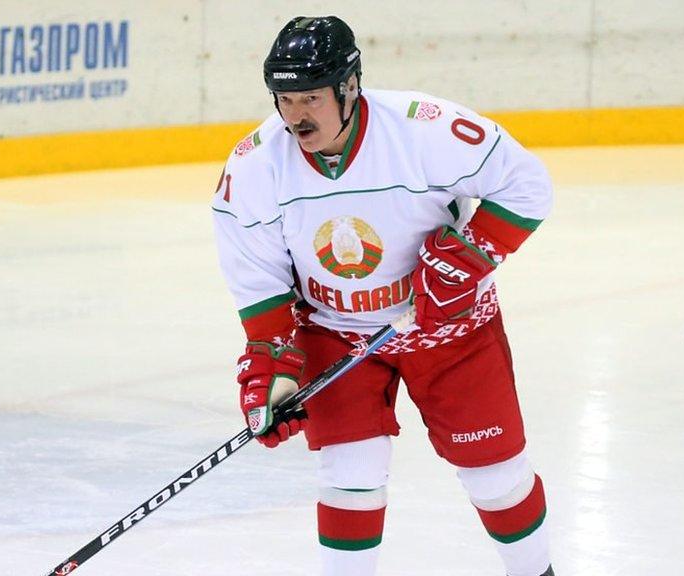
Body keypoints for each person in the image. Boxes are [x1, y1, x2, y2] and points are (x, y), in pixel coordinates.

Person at [212, 16, 555, 576]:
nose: (296, 116)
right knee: (350, 475)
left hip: (452, 330)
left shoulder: (424, 129)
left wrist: (467, 259)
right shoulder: (253, 167)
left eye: (311, 99)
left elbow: (527, 185)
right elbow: (258, 278)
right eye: (286, 99)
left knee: (496, 475)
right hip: (332, 329)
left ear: (349, 87)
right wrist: (272, 364)